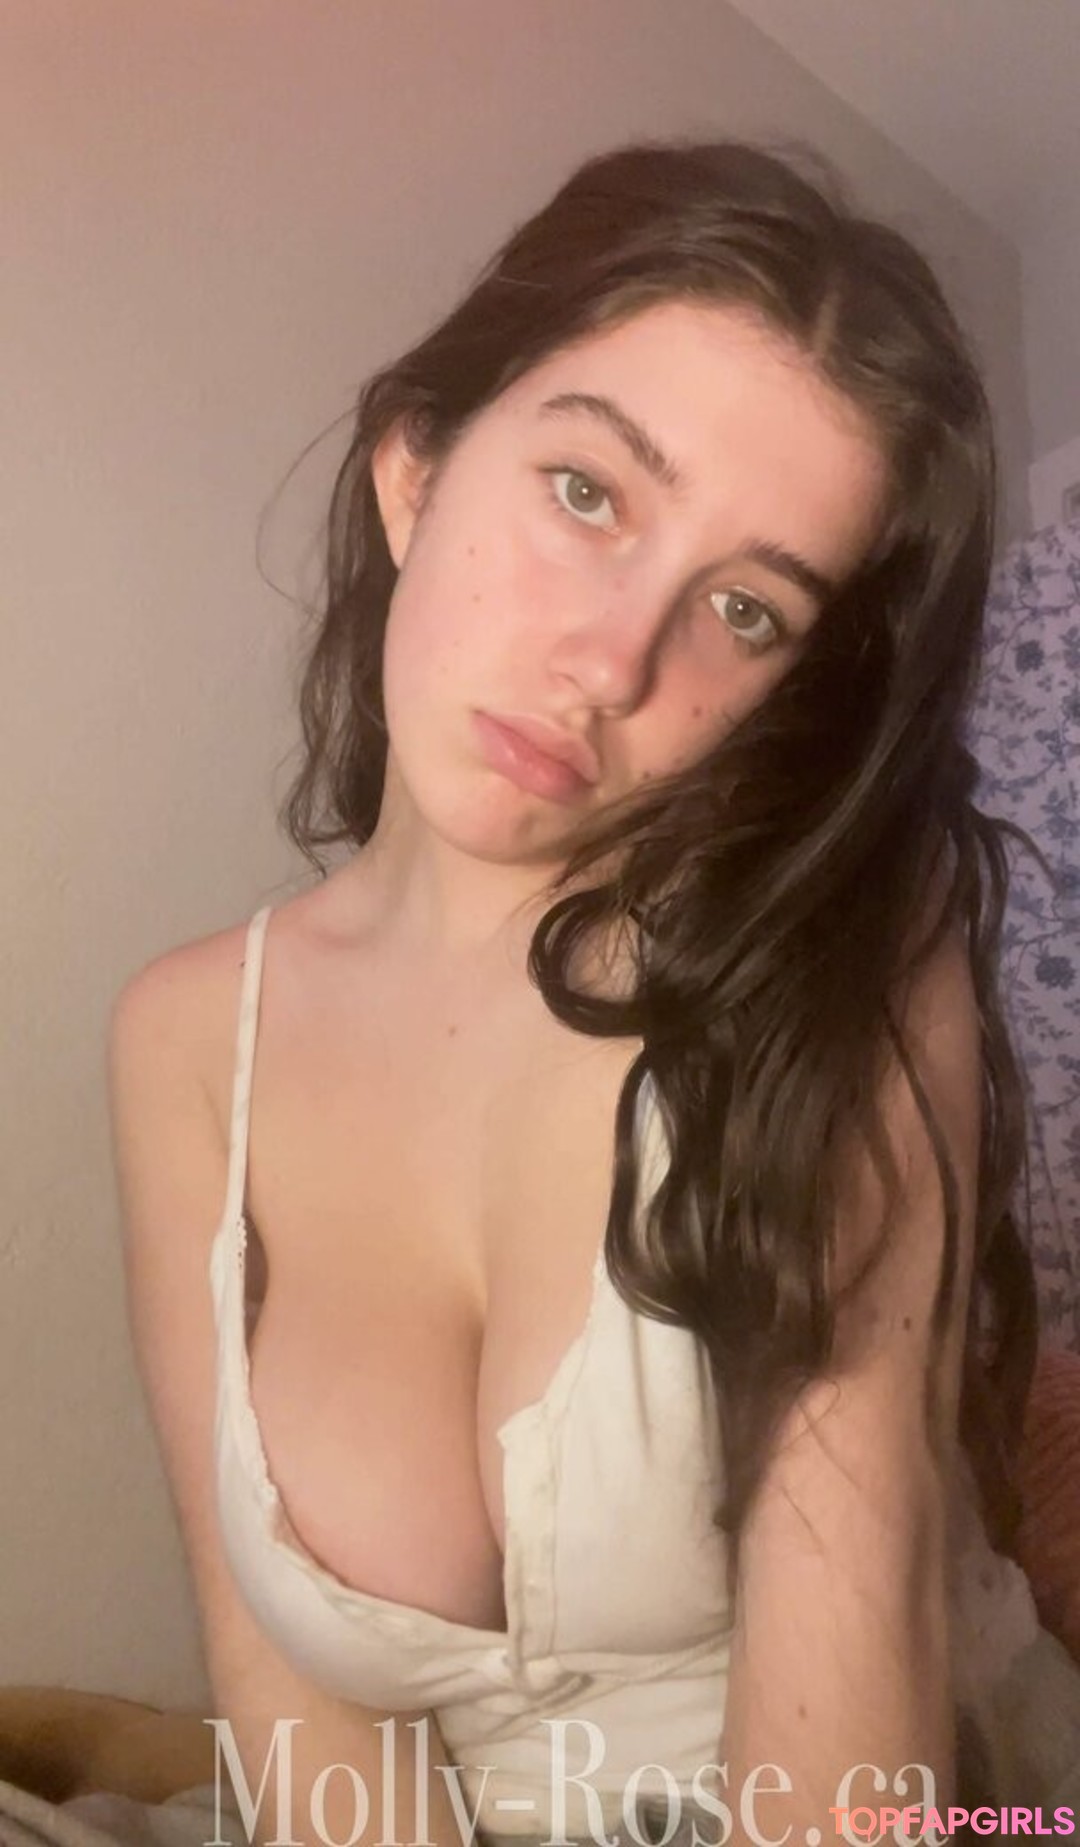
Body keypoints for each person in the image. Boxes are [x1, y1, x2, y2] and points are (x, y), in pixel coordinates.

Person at [105, 138, 1080, 1847]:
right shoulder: (187, 1043)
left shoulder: (835, 959)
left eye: (746, 610)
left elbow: (854, 1758)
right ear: (416, 470)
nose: (616, 662)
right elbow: (295, 1709)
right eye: (587, 493)